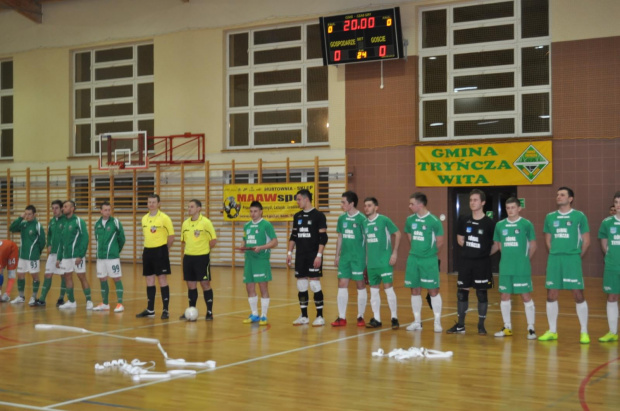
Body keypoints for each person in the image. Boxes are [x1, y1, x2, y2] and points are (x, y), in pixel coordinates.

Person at [538, 187, 591, 344]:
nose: (558, 197)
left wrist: (575, 256)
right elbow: (547, 240)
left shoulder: (579, 216)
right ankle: (552, 330)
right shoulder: (550, 217)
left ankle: (584, 331)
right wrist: (555, 252)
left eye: (562, 195)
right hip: (554, 259)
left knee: (578, 294)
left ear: (570, 199)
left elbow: (586, 241)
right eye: (557, 195)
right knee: (551, 294)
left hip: (572, 259)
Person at [448, 189, 498, 335]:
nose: (472, 202)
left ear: (483, 202)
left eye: (475, 200)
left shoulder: (490, 223)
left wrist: (482, 253)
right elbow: (460, 239)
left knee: (481, 294)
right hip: (466, 263)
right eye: (471, 200)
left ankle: (481, 325)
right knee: (462, 293)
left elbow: (496, 244)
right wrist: (472, 250)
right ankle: (460, 325)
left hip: (482, 263)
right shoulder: (463, 220)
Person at [492, 197, 538, 340]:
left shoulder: (526, 224)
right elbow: (499, 245)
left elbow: (533, 245)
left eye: (513, 207)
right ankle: (507, 327)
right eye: (508, 208)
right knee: (504, 295)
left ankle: (531, 328)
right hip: (505, 267)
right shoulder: (500, 225)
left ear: (519, 208)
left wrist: (523, 261)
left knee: (525, 296)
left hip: (521, 268)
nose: (510, 210)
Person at [286, 189, 328, 326]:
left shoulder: (319, 216)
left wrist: (319, 256)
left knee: (314, 284)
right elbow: (294, 236)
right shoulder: (297, 216)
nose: (297, 202)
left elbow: (323, 237)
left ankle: (320, 316)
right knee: (301, 284)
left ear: (306, 199)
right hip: (301, 256)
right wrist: (289, 253)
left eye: (298, 199)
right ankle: (304, 316)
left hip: (313, 256)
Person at [404, 192, 444, 333]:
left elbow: (440, 242)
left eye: (412, 204)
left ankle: (437, 322)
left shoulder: (434, 221)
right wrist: (418, 251)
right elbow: (410, 237)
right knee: (414, 290)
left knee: (433, 290)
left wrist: (428, 253)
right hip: (413, 259)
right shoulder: (410, 220)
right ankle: (417, 322)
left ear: (420, 205)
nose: (409, 206)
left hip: (429, 260)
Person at [363, 197, 401, 329]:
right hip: (372, 264)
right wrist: (365, 263)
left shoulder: (384, 220)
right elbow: (365, 244)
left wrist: (394, 253)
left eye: (369, 205)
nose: (366, 208)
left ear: (376, 207)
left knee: (388, 290)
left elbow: (398, 233)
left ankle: (394, 318)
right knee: (373, 292)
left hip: (384, 262)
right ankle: (377, 319)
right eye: (365, 206)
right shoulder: (364, 223)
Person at [332, 191, 367, 327]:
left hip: (358, 258)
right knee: (342, 284)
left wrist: (367, 261)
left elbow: (367, 240)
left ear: (351, 204)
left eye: (343, 202)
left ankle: (360, 316)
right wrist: (337, 255)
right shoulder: (342, 219)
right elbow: (340, 237)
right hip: (345, 258)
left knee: (360, 285)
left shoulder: (362, 219)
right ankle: (341, 317)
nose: (341, 205)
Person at [238, 201, 277, 325]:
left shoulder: (266, 225)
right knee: (249, 287)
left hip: (261, 260)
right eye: (251, 211)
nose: (252, 214)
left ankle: (264, 315)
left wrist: (261, 247)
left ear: (261, 212)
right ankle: (254, 314)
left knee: (263, 287)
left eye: (255, 211)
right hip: (249, 260)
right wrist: (242, 247)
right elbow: (244, 240)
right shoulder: (247, 226)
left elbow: (275, 242)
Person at [137, 194, 175, 319]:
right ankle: (150, 309)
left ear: (159, 204)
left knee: (162, 279)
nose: (151, 204)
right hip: (147, 251)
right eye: (149, 202)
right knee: (149, 280)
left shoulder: (164, 218)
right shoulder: (144, 219)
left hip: (160, 251)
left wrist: (165, 249)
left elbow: (171, 237)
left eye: (154, 202)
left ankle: (165, 310)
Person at [180, 199, 217, 321]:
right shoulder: (185, 223)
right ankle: (191, 311)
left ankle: (209, 312)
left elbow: (213, 241)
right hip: (188, 258)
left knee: (205, 284)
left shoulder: (206, 222)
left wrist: (203, 250)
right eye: (188, 206)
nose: (189, 209)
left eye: (191, 206)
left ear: (198, 208)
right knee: (191, 285)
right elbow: (184, 240)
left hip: (202, 258)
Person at [56, 200, 91, 310]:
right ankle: (71, 301)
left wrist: (80, 255)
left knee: (81, 276)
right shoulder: (63, 223)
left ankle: (89, 301)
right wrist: (59, 258)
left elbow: (85, 238)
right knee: (67, 277)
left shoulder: (79, 221)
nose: (63, 208)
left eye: (66, 206)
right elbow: (61, 242)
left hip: (76, 255)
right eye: (63, 207)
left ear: (72, 208)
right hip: (66, 256)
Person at [92, 201, 126, 313]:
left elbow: (122, 239)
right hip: (100, 258)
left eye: (109, 210)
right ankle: (105, 303)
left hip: (112, 257)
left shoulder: (115, 222)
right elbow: (97, 240)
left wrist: (115, 250)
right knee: (102, 279)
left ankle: (120, 303)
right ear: (101, 211)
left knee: (116, 278)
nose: (107, 212)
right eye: (105, 210)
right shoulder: (97, 224)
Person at [9, 205, 46, 305]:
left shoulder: (38, 225)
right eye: (26, 214)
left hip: (33, 257)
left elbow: (42, 241)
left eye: (29, 214)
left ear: (34, 214)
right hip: (22, 256)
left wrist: (37, 252)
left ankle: (34, 297)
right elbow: (11, 228)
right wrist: (20, 218)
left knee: (35, 276)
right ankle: (21, 296)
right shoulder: (23, 224)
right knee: (20, 275)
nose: (27, 216)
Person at [597, 191, 620, 342]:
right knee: (612, 297)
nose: (618, 206)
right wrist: (611, 257)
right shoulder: (607, 222)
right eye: (616, 202)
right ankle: (612, 332)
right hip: (612, 266)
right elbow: (604, 244)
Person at [37, 200, 67, 307]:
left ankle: (61, 298)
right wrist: (49, 244)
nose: (54, 210)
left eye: (56, 208)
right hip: (52, 254)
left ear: (62, 209)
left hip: (63, 254)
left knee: (64, 276)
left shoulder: (66, 221)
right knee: (48, 274)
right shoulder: (52, 221)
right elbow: (49, 235)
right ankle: (42, 299)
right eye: (53, 208)